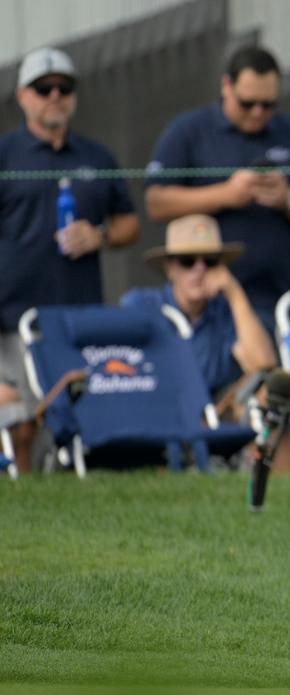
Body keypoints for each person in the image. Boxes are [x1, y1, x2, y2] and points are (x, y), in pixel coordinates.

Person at [0, 47, 140, 474]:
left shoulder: (97, 158)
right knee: (21, 422)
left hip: (77, 320)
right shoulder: (5, 155)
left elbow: (130, 224)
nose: (55, 96)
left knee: (76, 418)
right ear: (23, 96)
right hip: (12, 317)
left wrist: (97, 235)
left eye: (65, 87)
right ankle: (25, 495)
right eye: (44, 89)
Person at [144, 45, 290, 331]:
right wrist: (226, 195)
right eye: (248, 103)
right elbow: (156, 203)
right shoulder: (189, 132)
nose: (258, 112)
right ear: (226, 86)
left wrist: (288, 199)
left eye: (268, 105)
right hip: (205, 300)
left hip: (276, 298)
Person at [121, 214, 276, 404]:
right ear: (170, 268)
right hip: (157, 412)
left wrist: (235, 295)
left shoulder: (226, 310)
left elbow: (264, 369)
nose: (200, 269)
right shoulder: (141, 305)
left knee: (266, 392)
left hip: (213, 417)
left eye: (210, 261)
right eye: (188, 261)